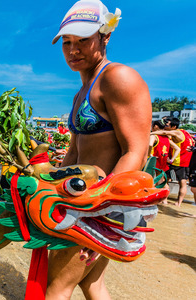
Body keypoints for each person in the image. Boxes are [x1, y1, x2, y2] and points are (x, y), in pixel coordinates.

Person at [50, 0, 151, 298]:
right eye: (67, 42)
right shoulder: (82, 91)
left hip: (100, 205)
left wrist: (100, 212)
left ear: (105, 37)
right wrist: (47, 186)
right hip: (82, 201)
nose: (73, 50)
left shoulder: (117, 78)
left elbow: (136, 151)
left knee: (53, 287)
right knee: (90, 283)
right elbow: (74, 153)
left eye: (83, 40)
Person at [152, 117, 194, 207]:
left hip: (181, 162)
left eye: (167, 124)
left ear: (173, 126)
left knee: (181, 183)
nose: (165, 125)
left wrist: (151, 133)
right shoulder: (185, 133)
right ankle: (166, 201)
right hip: (180, 161)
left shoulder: (177, 132)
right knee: (166, 180)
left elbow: (164, 132)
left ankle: (178, 203)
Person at [149, 120, 180, 205]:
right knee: (162, 181)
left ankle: (157, 199)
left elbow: (150, 145)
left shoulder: (154, 136)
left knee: (152, 180)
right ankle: (164, 200)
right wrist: (171, 159)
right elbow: (178, 149)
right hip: (163, 161)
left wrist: (149, 154)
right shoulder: (166, 138)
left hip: (154, 162)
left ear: (155, 126)